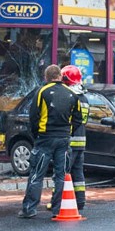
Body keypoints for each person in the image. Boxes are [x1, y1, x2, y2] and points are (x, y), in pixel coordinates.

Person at [19, 64, 81, 219]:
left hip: (45, 138)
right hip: (64, 139)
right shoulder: (72, 94)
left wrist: (36, 135)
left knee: (36, 174)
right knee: (62, 175)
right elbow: (79, 119)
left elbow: (33, 116)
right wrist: (68, 131)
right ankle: (58, 208)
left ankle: (29, 208)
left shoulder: (42, 92)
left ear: (46, 77)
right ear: (60, 76)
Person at [47, 65, 89, 212]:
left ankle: (56, 202)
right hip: (81, 141)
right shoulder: (84, 97)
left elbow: (67, 119)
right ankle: (80, 201)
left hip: (69, 141)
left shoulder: (70, 97)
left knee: (62, 172)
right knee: (78, 172)